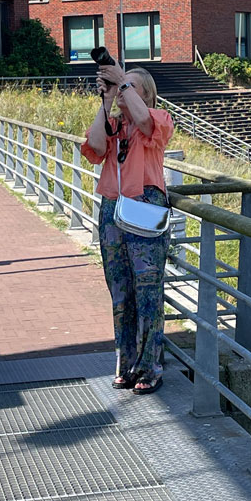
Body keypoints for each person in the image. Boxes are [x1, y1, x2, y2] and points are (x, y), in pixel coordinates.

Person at [81, 63, 174, 395]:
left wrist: (122, 83)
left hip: (145, 205)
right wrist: (106, 102)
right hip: (113, 209)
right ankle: (126, 363)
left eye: (129, 87)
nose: (122, 91)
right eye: (120, 85)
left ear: (144, 94)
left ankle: (150, 366)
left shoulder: (159, 119)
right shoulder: (113, 125)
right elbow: (93, 148)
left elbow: (146, 122)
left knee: (148, 291)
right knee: (119, 291)